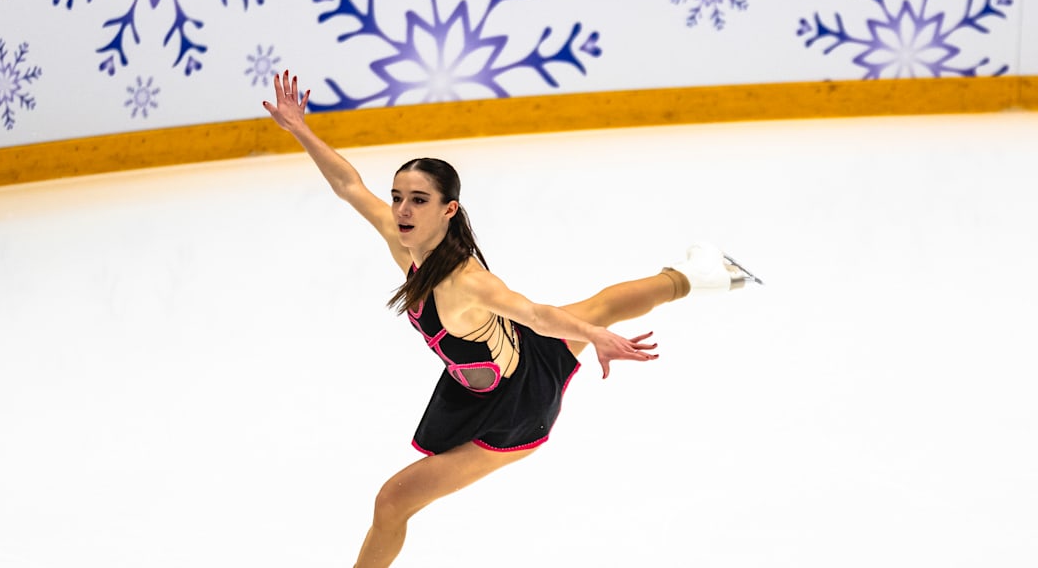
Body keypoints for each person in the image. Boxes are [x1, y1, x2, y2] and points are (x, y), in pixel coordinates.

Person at [262, 71, 758, 568]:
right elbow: (349, 185)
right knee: (602, 302)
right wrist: (299, 129)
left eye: (418, 200)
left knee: (392, 501)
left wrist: (594, 338)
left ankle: (698, 277)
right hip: (496, 367)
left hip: (515, 407)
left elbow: (538, 314)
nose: (401, 209)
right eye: (397, 197)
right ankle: (702, 275)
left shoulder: (467, 282)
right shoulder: (404, 241)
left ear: (448, 209)